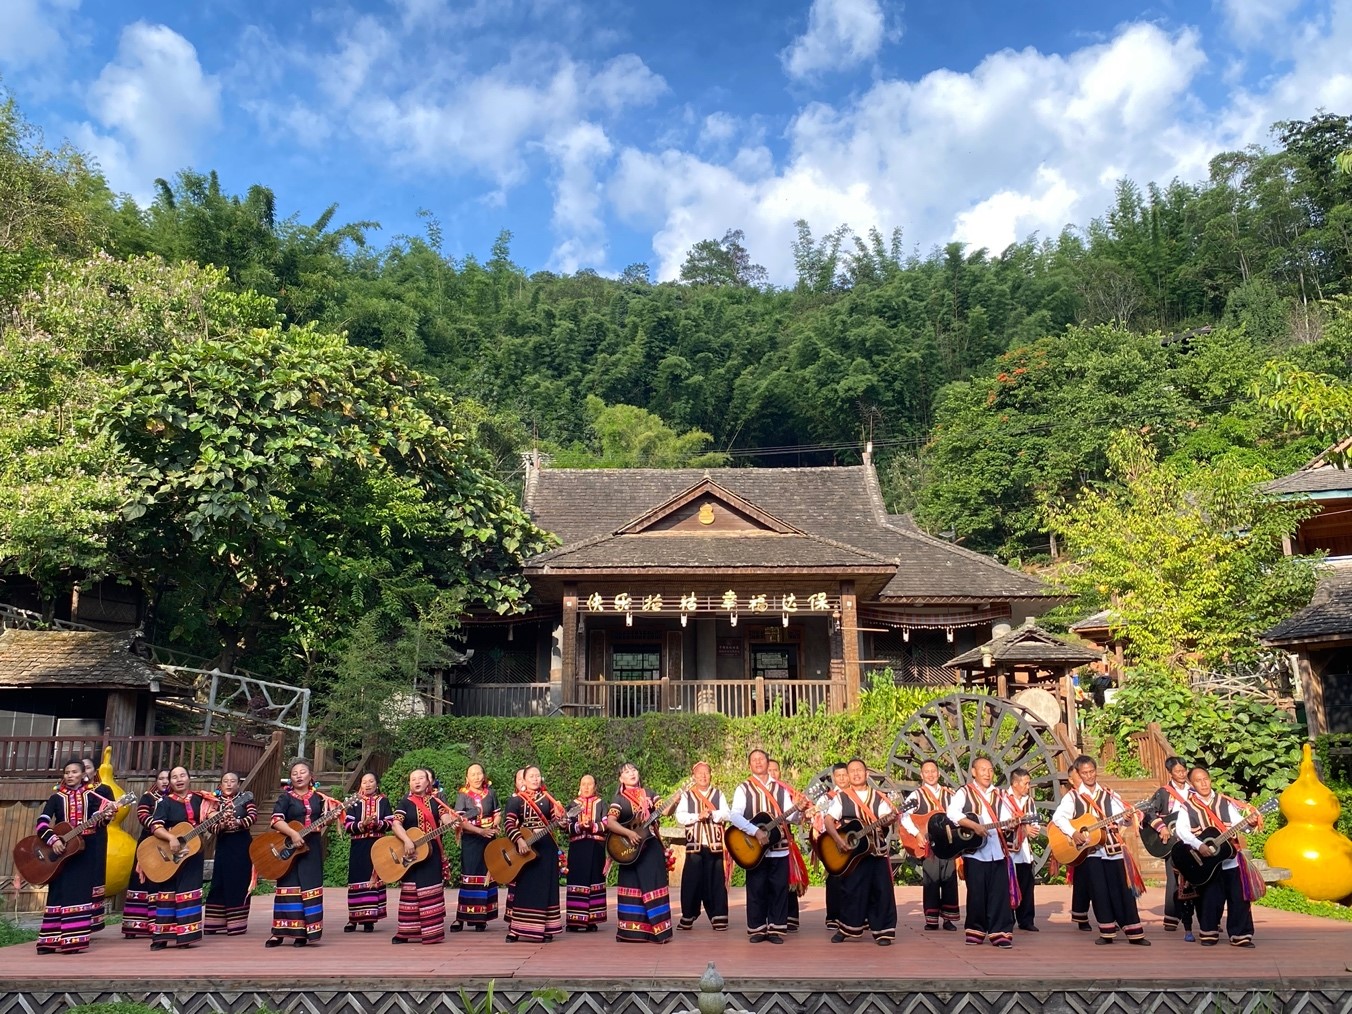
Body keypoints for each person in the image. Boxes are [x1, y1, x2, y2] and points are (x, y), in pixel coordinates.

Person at [1051, 755, 1150, 946]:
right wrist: (1073, 833)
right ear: (1078, 774)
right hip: (1091, 852)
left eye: (1092, 771)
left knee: (1123, 889)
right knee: (1099, 892)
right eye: (1085, 773)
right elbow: (1058, 818)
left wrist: (1128, 819)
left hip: (1113, 848)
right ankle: (1107, 931)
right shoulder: (1073, 797)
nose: (1089, 776)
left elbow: (1122, 819)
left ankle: (1134, 931)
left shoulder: (1109, 794)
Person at [34, 759, 118, 954]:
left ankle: (73, 941)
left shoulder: (93, 795)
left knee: (79, 892)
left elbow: (101, 822)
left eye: (74, 772)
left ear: (83, 775)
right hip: (61, 852)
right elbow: (42, 823)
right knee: (58, 893)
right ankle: (49, 941)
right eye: (67, 772)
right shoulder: (56, 798)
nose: (70, 776)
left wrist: (105, 817)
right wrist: (53, 839)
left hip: (84, 851)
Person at [1172, 764, 1259, 948]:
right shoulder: (1187, 807)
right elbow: (1182, 831)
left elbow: (1239, 825)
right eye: (1198, 781)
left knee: (1239, 897)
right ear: (1192, 784)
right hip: (1207, 862)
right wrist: (1199, 845)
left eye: (1205, 779)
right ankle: (1209, 932)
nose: (1203, 783)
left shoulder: (1224, 802)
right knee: (1210, 897)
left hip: (1231, 860)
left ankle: (1240, 934)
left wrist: (1249, 824)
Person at [727, 749, 803, 944]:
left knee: (779, 889)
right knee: (756, 889)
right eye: (754, 760)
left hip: (780, 847)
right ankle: (757, 929)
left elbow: (790, 816)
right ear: (749, 765)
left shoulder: (781, 789)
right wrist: (755, 831)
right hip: (754, 849)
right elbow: (734, 815)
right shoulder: (743, 788)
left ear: (768, 762)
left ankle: (776, 929)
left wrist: (799, 812)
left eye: (761, 759)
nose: (758, 762)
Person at [823, 758, 897, 946]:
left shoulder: (879, 797)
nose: (856, 774)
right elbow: (829, 820)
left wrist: (888, 820)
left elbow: (885, 818)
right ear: (847, 775)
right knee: (851, 890)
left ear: (867, 774)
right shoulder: (842, 797)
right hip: (852, 854)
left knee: (881, 890)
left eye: (859, 770)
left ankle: (883, 932)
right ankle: (847, 928)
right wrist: (839, 840)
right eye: (852, 771)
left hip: (875, 851)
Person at [947, 758, 1015, 948]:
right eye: (983, 770)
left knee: (999, 894)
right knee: (976, 893)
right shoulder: (965, 792)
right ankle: (975, 931)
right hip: (974, 852)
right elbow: (952, 813)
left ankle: (1000, 932)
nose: (987, 773)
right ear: (974, 772)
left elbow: (1008, 817)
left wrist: (1011, 824)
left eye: (990, 770)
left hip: (998, 851)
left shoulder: (1000, 794)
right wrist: (974, 826)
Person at [147, 765, 215, 949]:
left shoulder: (201, 799)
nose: (179, 779)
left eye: (182, 775)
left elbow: (210, 819)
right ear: (170, 782)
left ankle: (186, 936)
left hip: (193, 853)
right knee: (166, 893)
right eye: (174, 777)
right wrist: (171, 838)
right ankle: (161, 937)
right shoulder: (164, 802)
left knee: (189, 892)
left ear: (189, 778)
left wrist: (218, 815)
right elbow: (155, 826)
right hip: (169, 854)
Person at [606, 763, 674, 944]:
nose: (631, 773)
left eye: (634, 770)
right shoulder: (619, 799)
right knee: (632, 884)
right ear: (621, 779)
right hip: (628, 847)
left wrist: (677, 800)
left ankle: (658, 931)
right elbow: (611, 822)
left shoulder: (650, 794)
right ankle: (631, 932)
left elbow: (666, 811)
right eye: (626, 772)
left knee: (654, 883)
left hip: (650, 845)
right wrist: (629, 833)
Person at [266, 760, 330, 947]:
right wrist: (293, 834)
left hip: (312, 846)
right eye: (295, 773)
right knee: (287, 887)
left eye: (303, 772)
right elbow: (276, 820)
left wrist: (330, 818)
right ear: (290, 778)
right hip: (289, 846)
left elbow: (323, 821)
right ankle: (280, 932)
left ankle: (304, 933)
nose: (299, 776)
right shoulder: (285, 798)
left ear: (311, 776)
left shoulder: (319, 798)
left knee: (310, 887)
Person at [389, 767, 455, 945]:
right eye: (413, 779)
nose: (417, 781)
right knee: (409, 890)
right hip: (410, 851)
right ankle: (406, 931)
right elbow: (396, 824)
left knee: (431, 890)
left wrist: (452, 823)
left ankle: (432, 932)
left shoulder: (436, 802)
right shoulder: (405, 803)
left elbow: (446, 817)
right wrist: (407, 841)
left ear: (429, 782)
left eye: (420, 778)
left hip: (431, 852)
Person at [502, 765, 566, 942]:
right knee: (525, 887)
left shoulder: (549, 799)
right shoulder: (516, 800)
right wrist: (519, 840)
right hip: (525, 849)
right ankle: (517, 929)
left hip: (547, 847)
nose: (535, 779)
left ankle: (546, 928)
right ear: (524, 779)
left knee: (546, 886)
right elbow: (508, 824)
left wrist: (562, 821)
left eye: (538, 775)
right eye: (531, 776)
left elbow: (558, 821)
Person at [901, 760, 959, 931]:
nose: (930, 774)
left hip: (948, 844)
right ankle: (931, 919)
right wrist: (917, 834)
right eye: (927, 772)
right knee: (931, 880)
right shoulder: (916, 795)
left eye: (933, 771)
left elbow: (959, 814)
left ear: (939, 773)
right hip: (929, 845)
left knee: (949, 879)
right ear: (922, 775)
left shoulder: (950, 794)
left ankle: (948, 919)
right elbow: (904, 816)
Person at [1146, 755, 1200, 940]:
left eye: (1184, 770)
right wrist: (1161, 828)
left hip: (1192, 839)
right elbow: (1149, 811)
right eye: (1177, 771)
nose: (1182, 774)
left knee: (1197, 876)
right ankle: (1171, 917)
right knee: (1173, 877)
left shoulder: (1194, 791)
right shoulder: (1164, 792)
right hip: (1172, 842)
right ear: (1170, 773)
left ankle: (1203, 917)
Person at [674, 762, 730, 932]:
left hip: (714, 844)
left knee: (716, 880)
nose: (703, 776)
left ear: (711, 775)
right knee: (691, 880)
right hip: (695, 845)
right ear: (694, 776)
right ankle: (688, 915)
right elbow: (680, 817)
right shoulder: (687, 795)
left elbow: (728, 813)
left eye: (706, 773)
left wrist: (712, 813)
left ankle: (718, 915)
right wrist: (698, 816)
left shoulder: (718, 794)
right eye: (699, 773)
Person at [204, 771, 257, 936]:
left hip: (242, 845)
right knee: (219, 882)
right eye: (225, 781)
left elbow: (253, 816)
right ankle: (215, 923)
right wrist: (221, 825)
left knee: (239, 882)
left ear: (238, 784)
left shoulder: (245, 799)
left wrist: (238, 822)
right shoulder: (213, 801)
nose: (229, 784)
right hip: (223, 844)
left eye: (232, 781)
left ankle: (237, 924)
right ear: (220, 784)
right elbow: (208, 823)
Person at [452, 763, 501, 932]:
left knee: (486, 877)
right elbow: (460, 821)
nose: (477, 777)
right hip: (472, 839)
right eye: (472, 774)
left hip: (489, 839)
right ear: (467, 778)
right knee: (469, 876)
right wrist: (480, 831)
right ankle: (462, 916)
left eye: (479, 773)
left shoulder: (491, 794)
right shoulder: (462, 795)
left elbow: (497, 813)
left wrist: (494, 826)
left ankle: (482, 917)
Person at [122, 769, 170, 940]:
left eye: (167, 778)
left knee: (161, 879)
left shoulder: (174, 799)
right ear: (156, 781)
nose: (165, 782)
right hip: (147, 841)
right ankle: (136, 925)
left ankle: (157, 922)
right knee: (140, 880)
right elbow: (142, 815)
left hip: (166, 844)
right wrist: (158, 827)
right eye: (161, 778)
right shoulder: (148, 797)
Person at [343, 772, 393, 933]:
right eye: (364, 782)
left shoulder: (383, 801)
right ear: (360, 785)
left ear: (376, 784)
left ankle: (370, 918)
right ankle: (354, 918)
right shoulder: (354, 802)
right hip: (358, 845)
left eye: (371, 781)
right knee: (356, 878)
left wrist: (377, 823)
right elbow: (347, 825)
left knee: (374, 878)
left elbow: (391, 822)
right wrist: (362, 824)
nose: (368, 784)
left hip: (377, 844)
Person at [565, 773, 607, 932]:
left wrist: (592, 826)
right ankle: (574, 920)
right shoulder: (573, 805)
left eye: (590, 784)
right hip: (578, 847)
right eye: (583, 784)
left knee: (594, 878)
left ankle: (592, 920)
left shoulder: (601, 803)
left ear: (595, 787)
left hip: (596, 846)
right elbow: (565, 826)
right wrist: (579, 826)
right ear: (579, 787)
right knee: (577, 879)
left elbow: (607, 823)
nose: (586, 787)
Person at [811, 763, 850, 933]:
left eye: (844, 775)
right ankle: (833, 916)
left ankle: (854, 915)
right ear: (834, 777)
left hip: (851, 842)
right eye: (838, 775)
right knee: (834, 879)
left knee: (854, 879)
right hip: (832, 843)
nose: (842, 778)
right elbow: (818, 821)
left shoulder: (855, 795)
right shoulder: (826, 798)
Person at [766, 758, 801, 932]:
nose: (773, 773)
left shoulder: (787, 791)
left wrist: (802, 811)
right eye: (769, 770)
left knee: (788, 881)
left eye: (775, 770)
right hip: (762, 846)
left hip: (785, 842)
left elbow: (798, 817)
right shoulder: (755, 789)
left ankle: (789, 918)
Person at [1005, 767, 1041, 932]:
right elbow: (1002, 823)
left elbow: (1034, 823)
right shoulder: (1002, 799)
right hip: (1008, 851)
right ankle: (1007, 918)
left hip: (1024, 851)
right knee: (1007, 886)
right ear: (1015, 783)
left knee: (1027, 885)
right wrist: (1022, 828)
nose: (1028, 787)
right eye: (1026, 783)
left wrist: (1033, 829)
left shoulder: (1029, 802)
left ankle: (1026, 920)